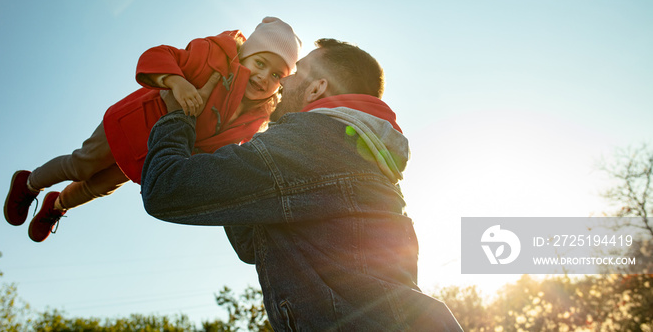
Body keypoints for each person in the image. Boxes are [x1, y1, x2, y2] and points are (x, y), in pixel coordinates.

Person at [141, 38, 463, 331]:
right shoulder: (363, 156)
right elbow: (250, 243)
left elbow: (164, 187)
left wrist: (178, 115)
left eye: (295, 72)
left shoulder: (311, 141)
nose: (284, 80)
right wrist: (219, 135)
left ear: (315, 89)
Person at [3, 17, 302, 243]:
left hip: (153, 154)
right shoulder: (212, 57)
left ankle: (56, 205)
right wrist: (177, 81)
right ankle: (29, 184)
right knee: (82, 165)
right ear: (245, 54)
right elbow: (158, 55)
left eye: (276, 74)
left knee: (99, 187)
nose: (264, 76)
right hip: (131, 125)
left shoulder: (255, 118)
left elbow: (225, 150)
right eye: (260, 62)